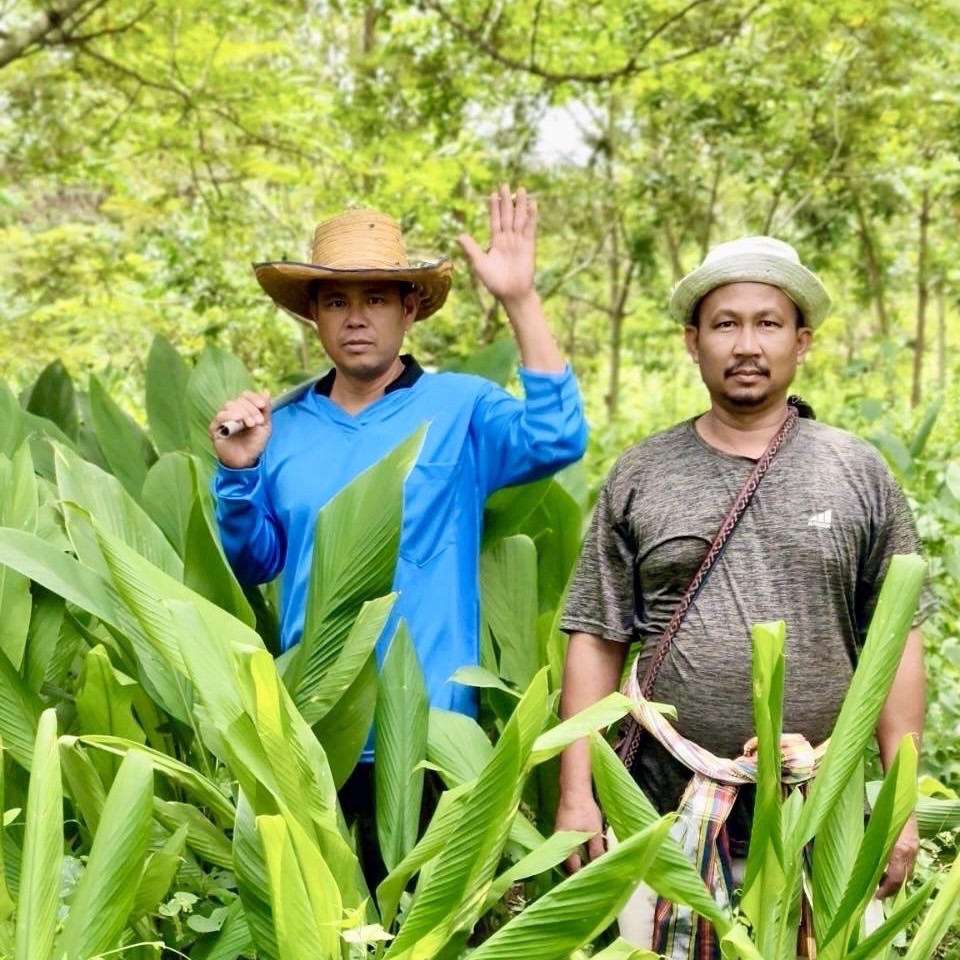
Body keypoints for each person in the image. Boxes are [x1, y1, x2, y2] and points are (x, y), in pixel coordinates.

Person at [554, 236, 930, 954]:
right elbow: (596, 638)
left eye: (768, 323)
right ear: (693, 342)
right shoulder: (642, 473)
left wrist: (900, 806)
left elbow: (897, 641)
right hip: (663, 809)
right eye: (725, 324)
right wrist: (578, 792)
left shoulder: (857, 471)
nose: (747, 344)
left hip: (824, 809)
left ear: (802, 341)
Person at [209, 185, 588, 882]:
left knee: (424, 920)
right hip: (317, 725)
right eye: (336, 301)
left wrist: (520, 300)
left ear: (409, 308)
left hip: (428, 731)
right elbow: (256, 562)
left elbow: (557, 436)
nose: (356, 318)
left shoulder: (460, 406)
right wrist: (238, 473)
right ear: (314, 316)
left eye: (376, 298)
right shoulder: (282, 426)